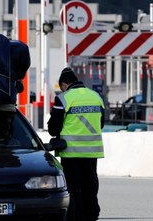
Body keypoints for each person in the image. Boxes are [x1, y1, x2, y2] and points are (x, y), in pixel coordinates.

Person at [47, 67, 105, 221]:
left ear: (64, 84)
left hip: (71, 152)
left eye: (61, 87)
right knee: (90, 185)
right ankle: (91, 214)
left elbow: (53, 128)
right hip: (92, 152)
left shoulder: (64, 98)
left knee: (73, 187)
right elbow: (102, 123)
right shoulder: (96, 97)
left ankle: (75, 216)